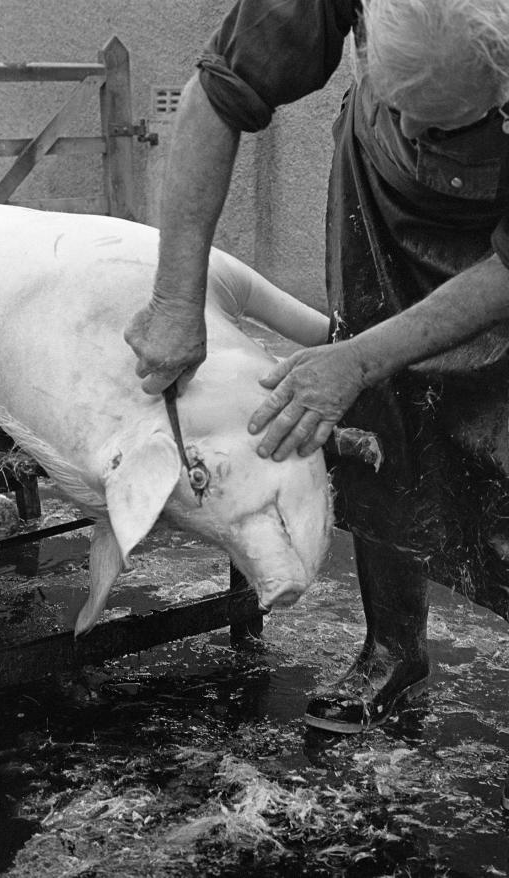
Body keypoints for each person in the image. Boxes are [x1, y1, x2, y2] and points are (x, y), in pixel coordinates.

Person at [125, 0, 509, 737]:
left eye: (446, 124)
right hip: (380, 187)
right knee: (381, 413)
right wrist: (176, 300)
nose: (425, 137)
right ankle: (392, 649)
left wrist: (361, 357)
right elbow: (218, 93)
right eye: (410, 110)